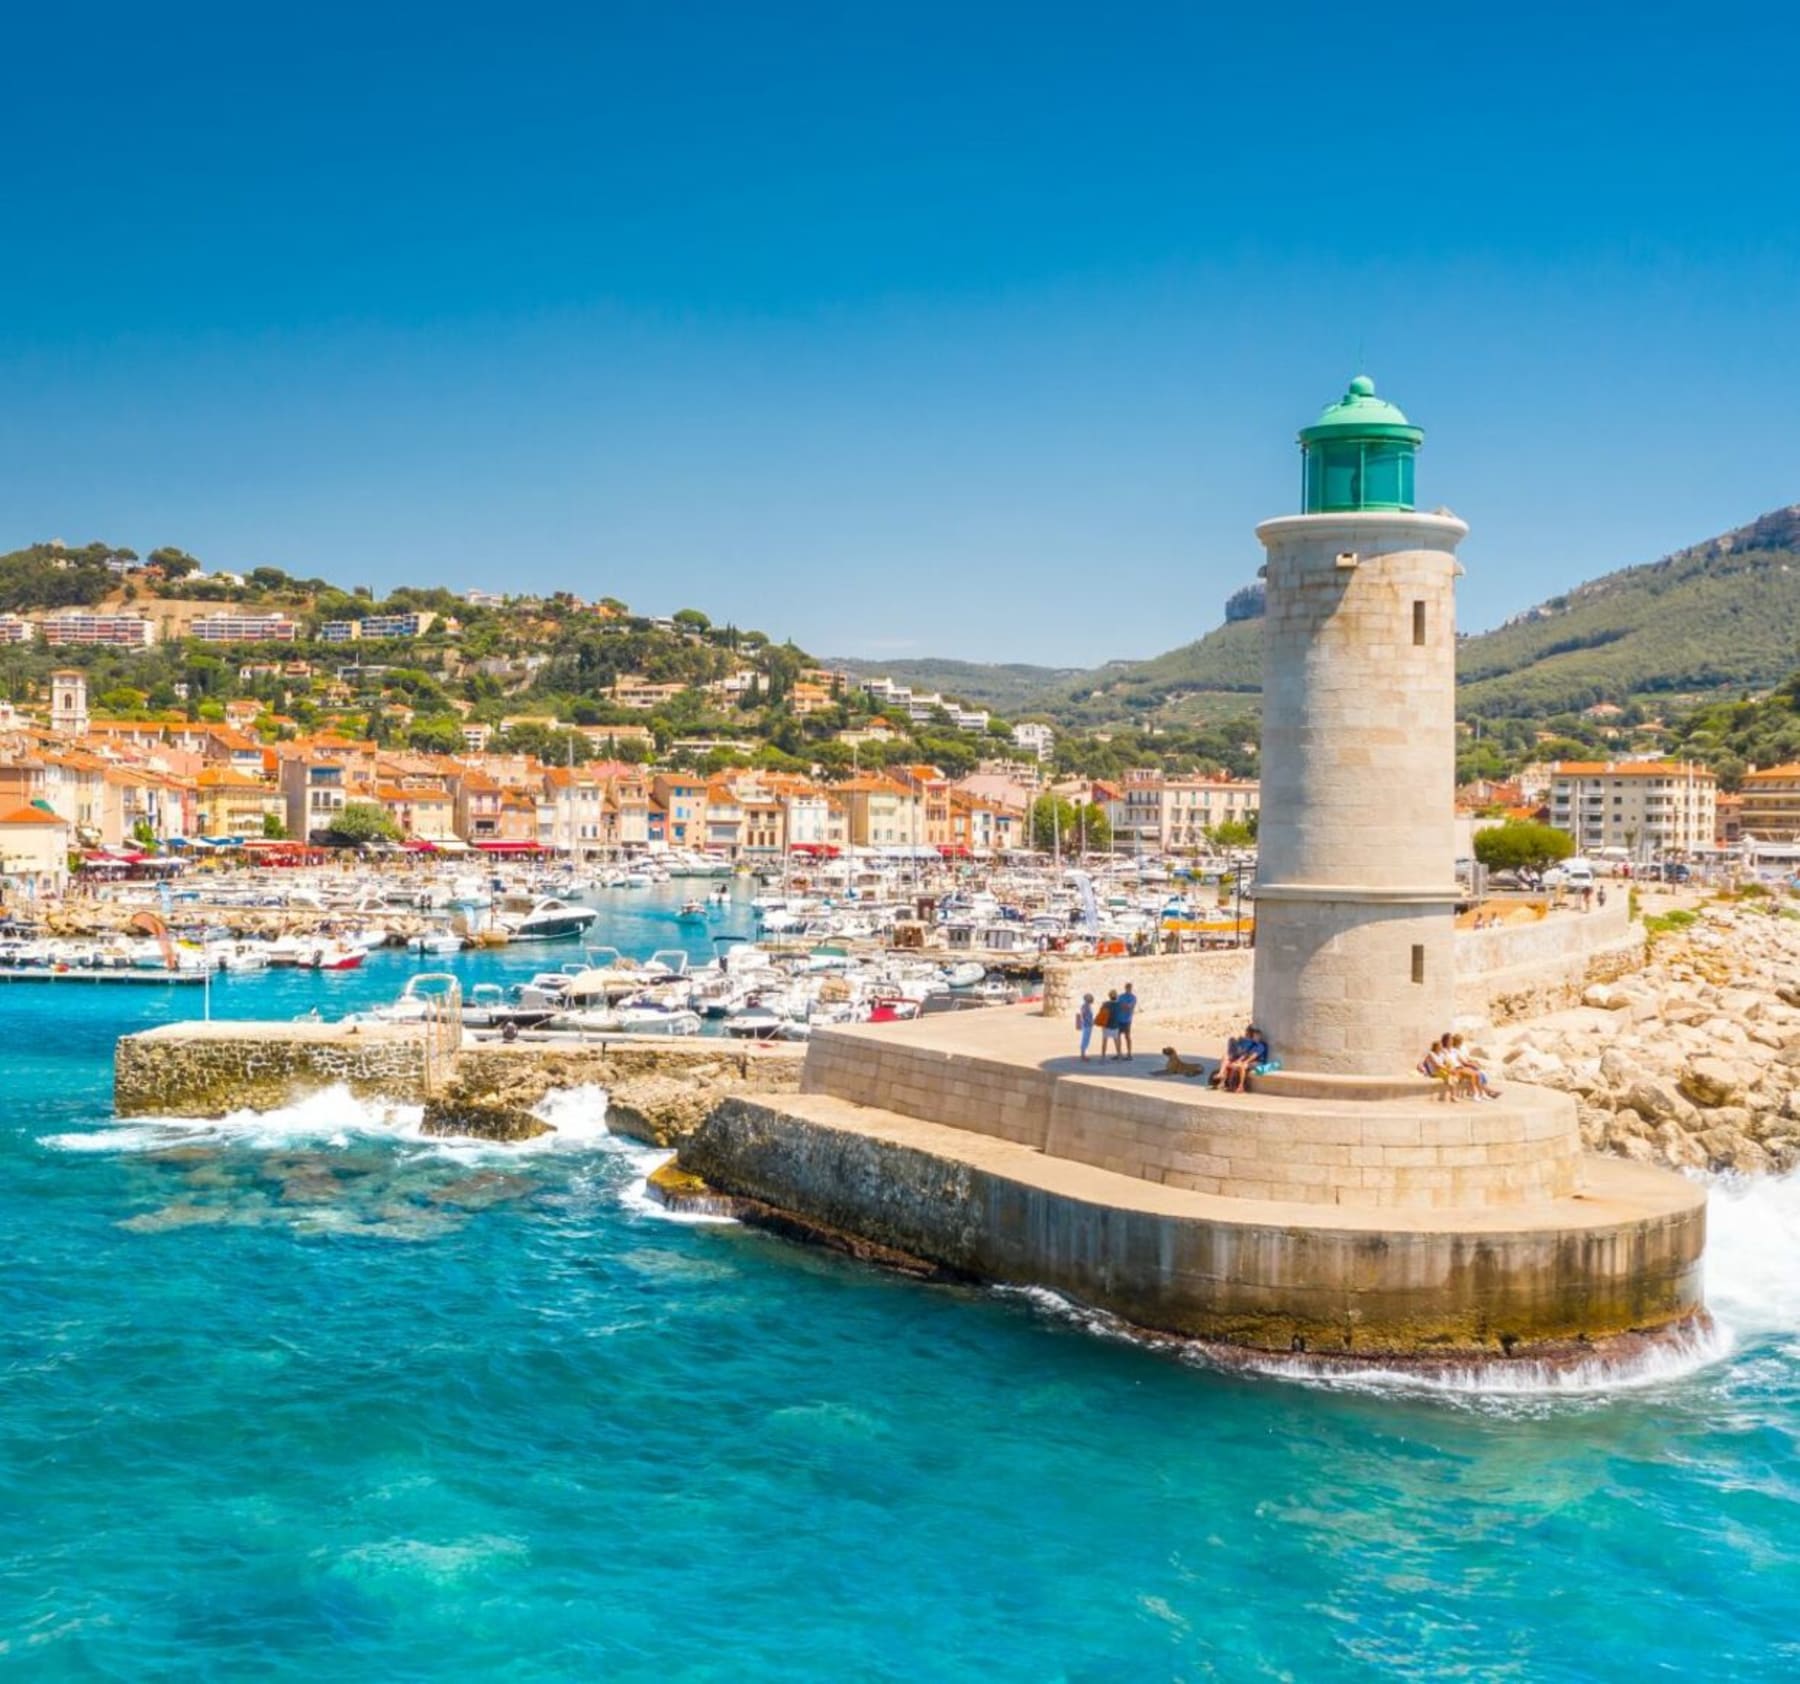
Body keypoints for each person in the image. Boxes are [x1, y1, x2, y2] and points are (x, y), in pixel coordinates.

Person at [1223, 1023, 1268, 1093]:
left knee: (1242, 1066)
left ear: (1260, 1037)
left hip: (1258, 1062)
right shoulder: (1252, 1044)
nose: (1256, 1037)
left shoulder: (1261, 1045)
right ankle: (1228, 1083)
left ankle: (1241, 1086)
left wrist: (1245, 1062)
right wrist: (1238, 1060)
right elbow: (1245, 1054)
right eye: (1255, 1036)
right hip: (1251, 1061)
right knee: (1233, 1065)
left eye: (1257, 1036)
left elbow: (1254, 1056)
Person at [1113, 981, 1138, 1061]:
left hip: (1127, 1020)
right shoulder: (1121, 996)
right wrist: (1125, 1006)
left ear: (1131, 988)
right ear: (1125, 988)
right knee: (1118, 1037)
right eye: (1127, 987)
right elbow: (1118, 1006)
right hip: (1120, 1019)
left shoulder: (1133, 997)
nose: (1128, 989)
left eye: (1129, 988)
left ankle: (1129, 1054)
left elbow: (1129, 1007)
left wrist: (1123, 1005)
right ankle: (1119, 1053)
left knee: (1127, 1037)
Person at [1096, 989, 1120, 1059]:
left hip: (1106, 1025)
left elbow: (1100, 1011)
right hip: (1115, 1025)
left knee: (1104, 1041)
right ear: (1116, 996)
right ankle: (1119, 1056)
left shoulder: (1106, 1004)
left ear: (1109, 996)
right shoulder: (1119, 1004)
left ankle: (1103, 1057)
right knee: (1116, 1041)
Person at [1075, 992, 1096, 1062]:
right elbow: (1083, 1016)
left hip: (1088, 1025)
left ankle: (1084, 1054)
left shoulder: (1086, 1006)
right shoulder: (1086, 1006)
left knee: (1086, 1039)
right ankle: (1083, 1055)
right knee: (1085, 1039)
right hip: (1087, 1025)